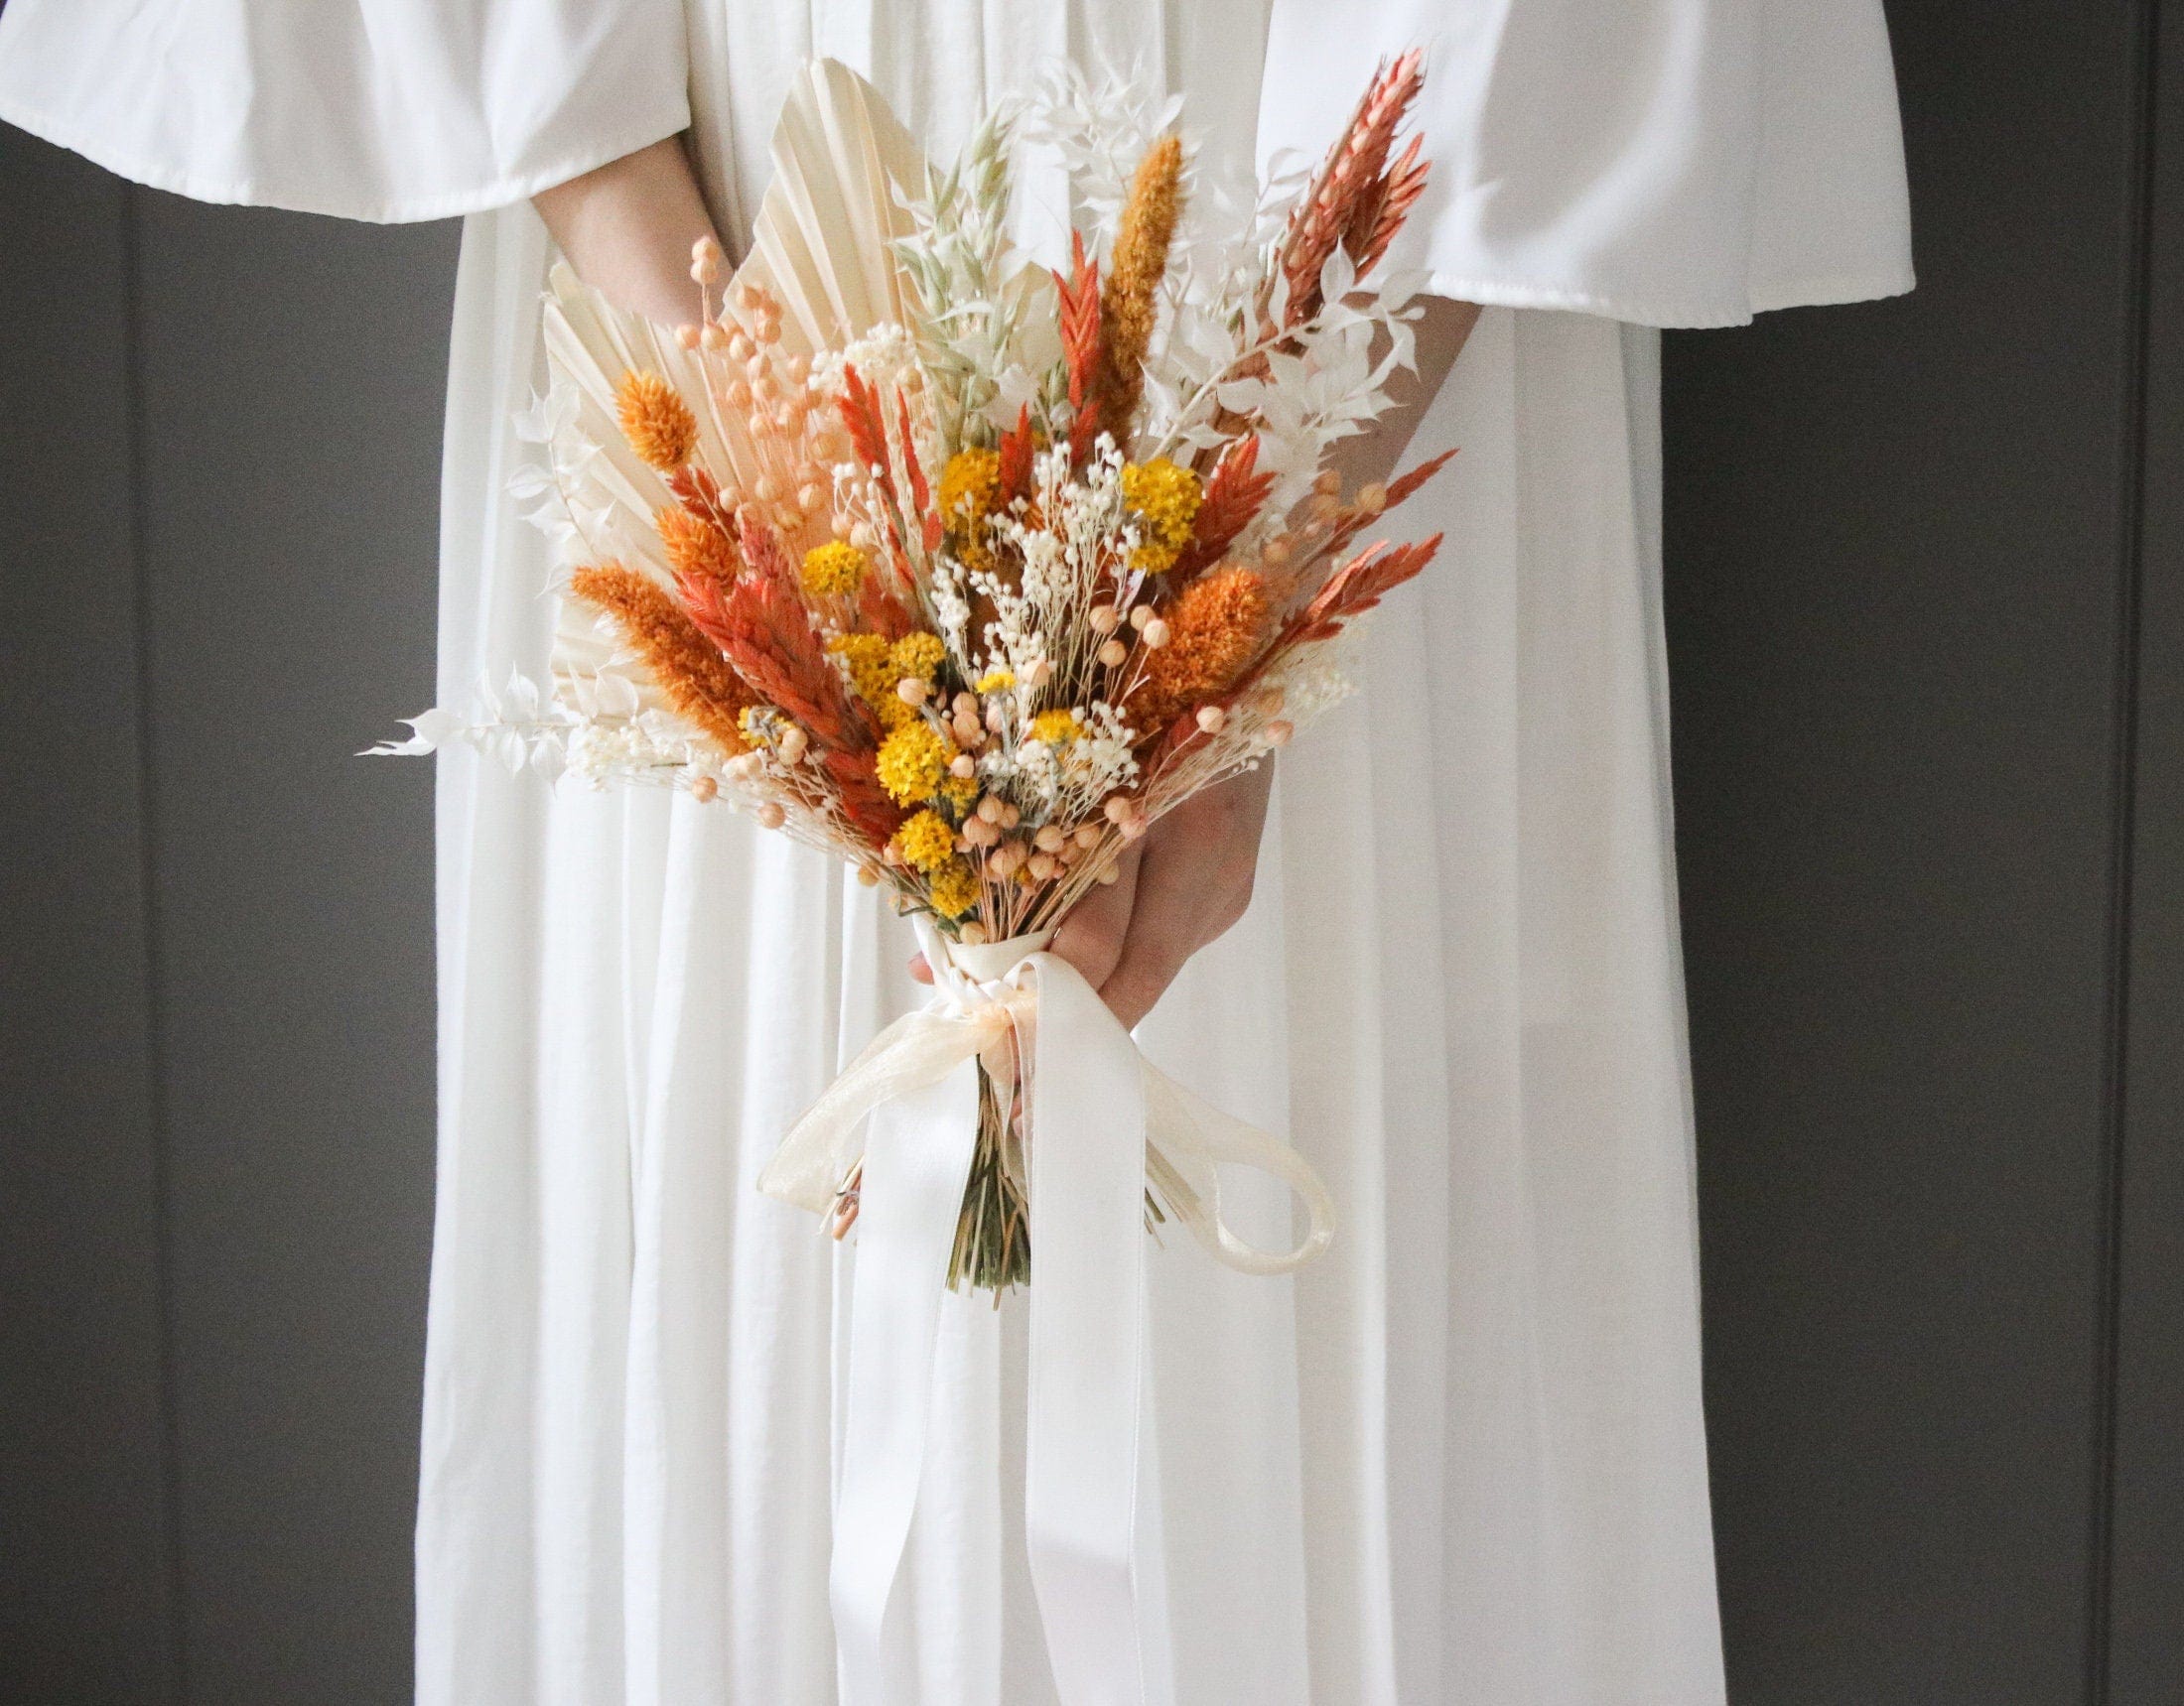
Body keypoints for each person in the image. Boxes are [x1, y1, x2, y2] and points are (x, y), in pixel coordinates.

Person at [0, 4, 1911, 1702]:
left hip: (1340, 255)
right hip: (727, 198)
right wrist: (750, 441)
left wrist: (1252, 594)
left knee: (1310, 1256)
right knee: (777, 1242)